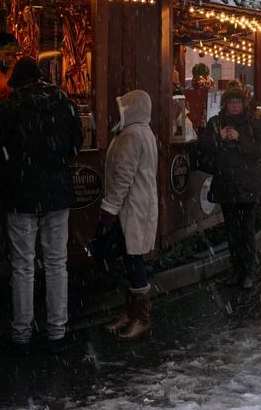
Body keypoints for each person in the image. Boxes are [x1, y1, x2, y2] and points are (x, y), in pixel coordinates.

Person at [0, 57, 82, 356]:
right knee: (57, 264)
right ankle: (57, 332)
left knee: (23, 265)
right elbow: (76, 143)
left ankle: (21, 334)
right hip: (56, 194)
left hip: (22, 195)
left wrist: (15, 166)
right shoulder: (63, 101)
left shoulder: (11, 105)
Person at [98, 89, 159, 340]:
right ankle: (132, 313)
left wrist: (109, 208)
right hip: (136, 206)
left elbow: (123, 177)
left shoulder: (132, 134)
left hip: (131, 208)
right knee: (130, 259)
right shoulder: (141, 131)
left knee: (133, 261)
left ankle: (141, 317)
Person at [198, 85, 261, 290]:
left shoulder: (252, 123)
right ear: (225, 104)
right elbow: (202, 147)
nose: (234, 106)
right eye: (231, 102)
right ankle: (236, 270)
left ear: (243, 104)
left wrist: (240, 139)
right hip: (226, 184)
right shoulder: (216, 123)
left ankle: (247, 273)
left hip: (247, 185)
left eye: (238, 102)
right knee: (231, 231)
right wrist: (217, 137)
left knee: (246, 230)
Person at [182, 63, 212, 129]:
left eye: (202, 78)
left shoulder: (207, 90)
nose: (200, 80)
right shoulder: (189, 90)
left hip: (201, 120)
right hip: (193, 120)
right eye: (199, 78)